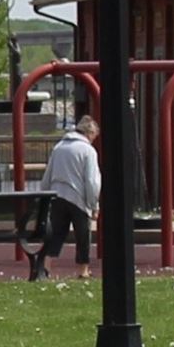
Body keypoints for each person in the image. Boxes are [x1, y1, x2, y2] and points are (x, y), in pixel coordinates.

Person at [40, 112, 101, 271]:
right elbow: (92, 180)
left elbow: (48, 174)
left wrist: (45, 194)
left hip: (57, 195)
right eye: (94, 135)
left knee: (56, 233)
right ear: (90, 133)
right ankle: (83, 270)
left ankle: (46, 266)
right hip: (78, 198)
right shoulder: (88, 151)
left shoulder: (59, 147)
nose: (94, 139)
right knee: (82, 236)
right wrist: (94, 204)